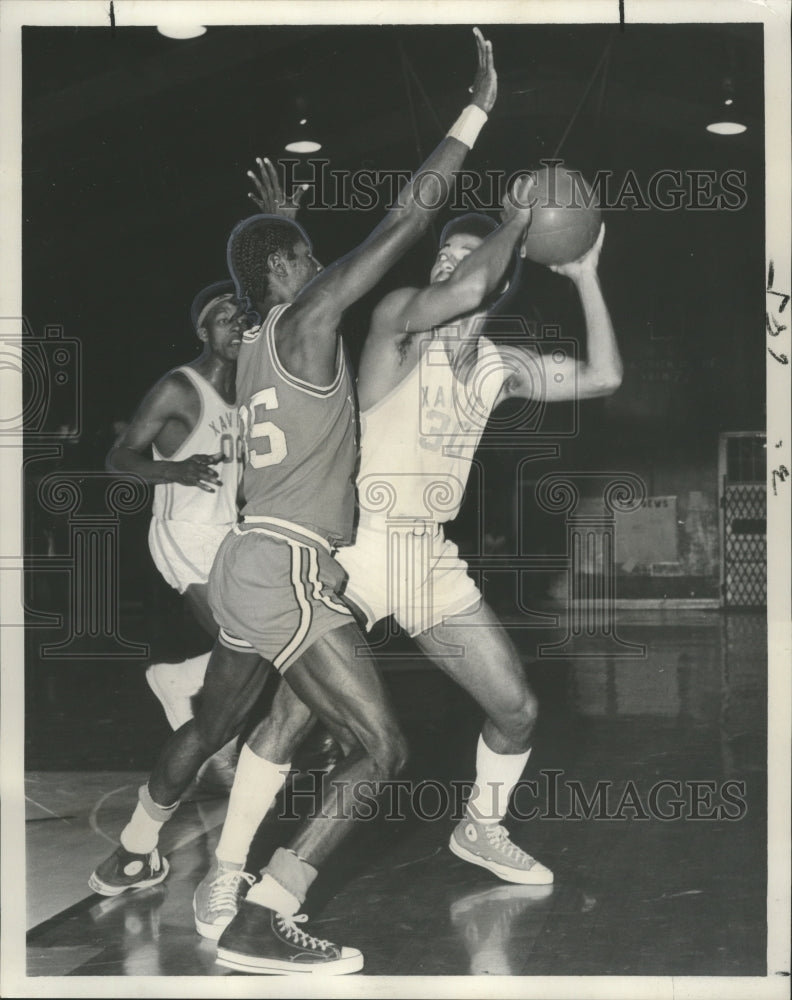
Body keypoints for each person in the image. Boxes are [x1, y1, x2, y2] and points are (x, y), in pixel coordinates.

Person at [90, 28, 501, 976]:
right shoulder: (310, 320)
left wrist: (278, 225)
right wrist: (475, 113)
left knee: (215, 725)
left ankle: (135, 849)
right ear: (288, 273)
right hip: (287, 567)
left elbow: (257, 270)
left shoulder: (246, 350)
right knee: (382, 748)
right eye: (306, 255)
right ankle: (265, 913)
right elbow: (404, 222)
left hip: (239, 567)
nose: (319, 264)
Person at [196, 197, 621, 930]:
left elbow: (605, 377)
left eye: (463, 260)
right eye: (442, 259)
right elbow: (446, 295)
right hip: (357, 547)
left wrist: (583, 274)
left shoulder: (498, 366)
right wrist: (515, 231)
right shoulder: (394, 334)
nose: (448, 270)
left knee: (516, 708)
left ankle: (480, 827)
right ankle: (228, 870)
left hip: (428, 556)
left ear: (500, 279)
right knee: (293, 719)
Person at [105, 283, 247, 791]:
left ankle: (180, 679)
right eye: (222, 318)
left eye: (241, 316)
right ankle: (221, 749)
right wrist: (175, 471)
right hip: (183, 531)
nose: (235, 325)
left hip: (228, 531)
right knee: (242, 645)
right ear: (203, 330)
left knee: (255, 645)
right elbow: (118, 458)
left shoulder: (248, 390)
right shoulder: (180, 388)